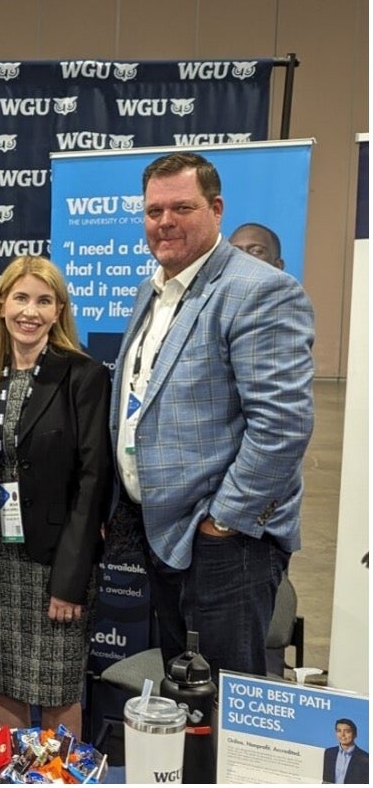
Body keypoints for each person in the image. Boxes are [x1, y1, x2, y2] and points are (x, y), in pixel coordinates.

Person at [109, 151, 315, 678]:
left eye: (182, 207)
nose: (165, 222)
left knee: (226, 704)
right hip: (164, 535)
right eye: (154, 211)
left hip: (227, 548)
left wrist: (224, 521)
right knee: (186, 697)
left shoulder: (259, 290)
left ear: (216, 209)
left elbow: (282, 426)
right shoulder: (153, 290)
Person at [0, 256, 112, 736]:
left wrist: (70, 580)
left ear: (59, 309)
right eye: (20, 297)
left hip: (53, 565)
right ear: (1, 305)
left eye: (44, 300)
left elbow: (93, 482)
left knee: (58, 689)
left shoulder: (83, 375)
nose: (30, 311)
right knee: (3, 682)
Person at [323, 718, 369, 784]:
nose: (342, 735)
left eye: (347, 731)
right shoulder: (329, 753)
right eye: (339, 731)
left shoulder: (366, 758)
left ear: (355, 734)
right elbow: (326, 780)